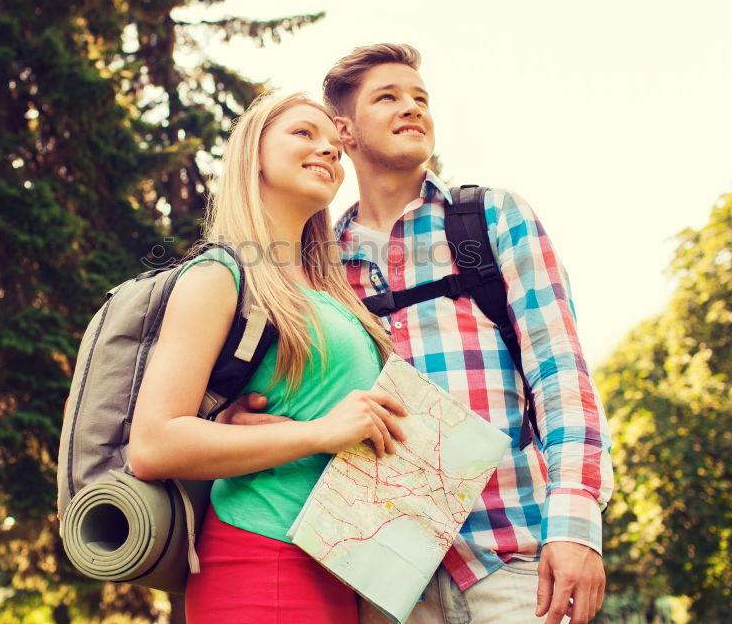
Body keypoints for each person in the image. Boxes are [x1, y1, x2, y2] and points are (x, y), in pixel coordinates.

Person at [232, 45, 614, 624]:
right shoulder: (320, 262)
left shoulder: (491, 218)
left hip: (515, 557)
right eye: (387, 97)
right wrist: (245, 421)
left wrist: (577, 522)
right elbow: (299, 393)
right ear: (345, 131)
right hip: (385, 576)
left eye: (420, 98)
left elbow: (560, 370)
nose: (412, 108)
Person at [126, 91, 407, 624]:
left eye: (336, 148)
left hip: (340, 565)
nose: (328, 150)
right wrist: (321, 432)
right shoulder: (220, 274)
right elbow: (153, 443)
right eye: (304, 134)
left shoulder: (329, 292)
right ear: (254, 152)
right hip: (265, 561)